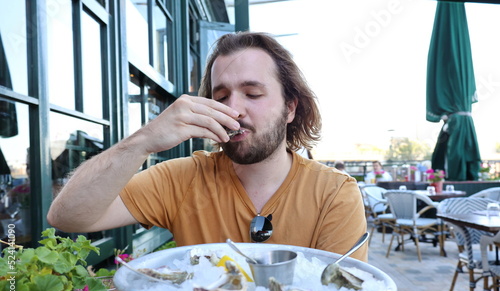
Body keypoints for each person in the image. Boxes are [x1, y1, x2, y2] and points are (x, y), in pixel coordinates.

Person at [47, 32, 367, 263]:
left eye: (252, 94)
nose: (234, 110)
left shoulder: (334, 193)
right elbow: (68, 217)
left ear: (290, 108)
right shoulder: (184, 178)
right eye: (221, 96)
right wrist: (142, 142)